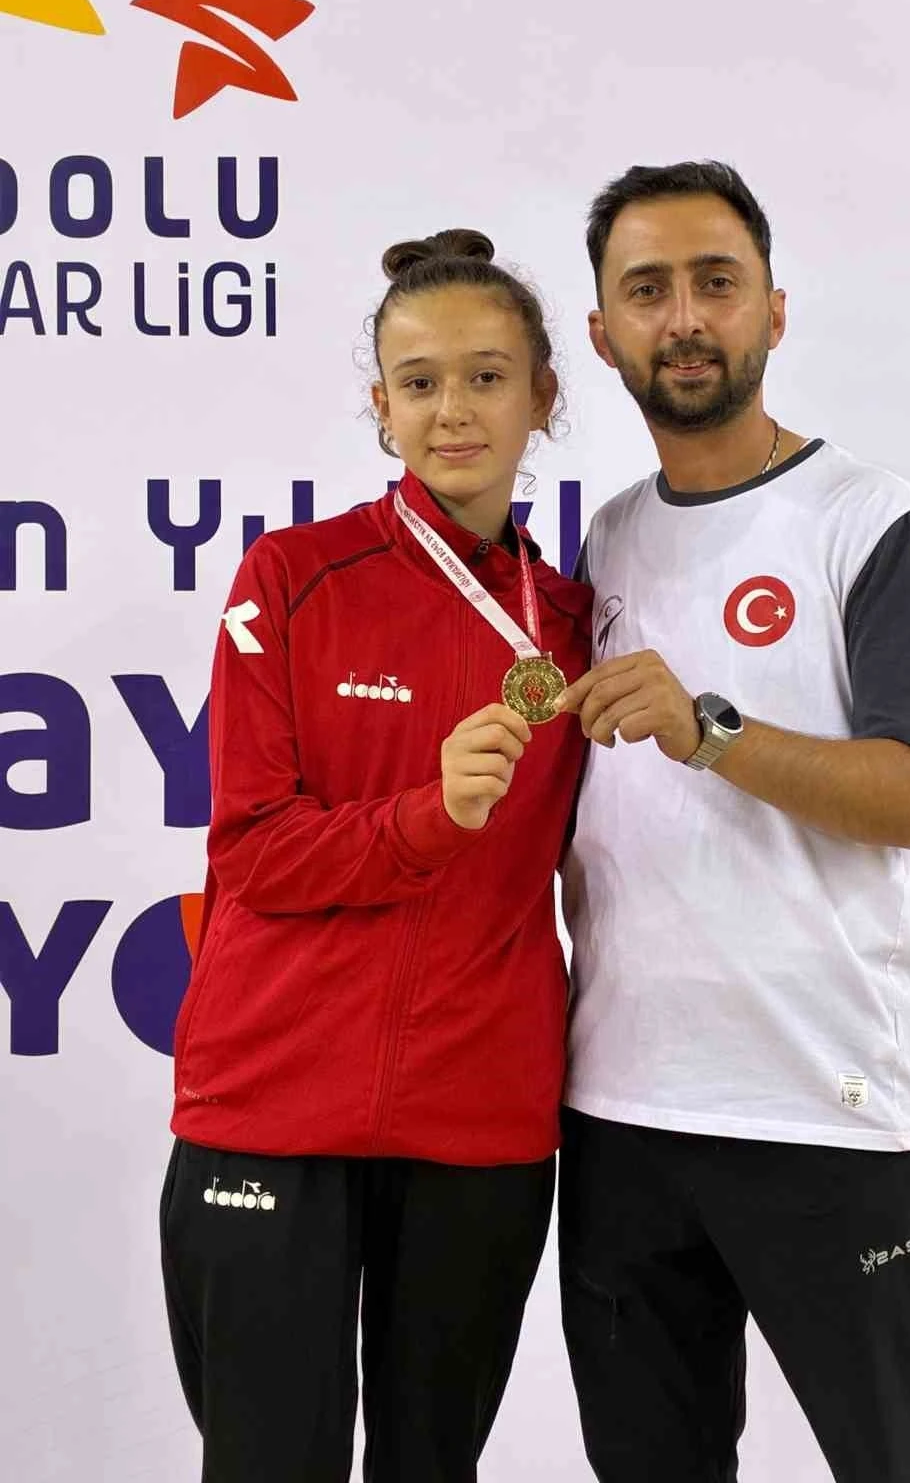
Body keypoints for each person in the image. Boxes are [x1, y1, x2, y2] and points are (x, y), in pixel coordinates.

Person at [553, 161, 910, 1483]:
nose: (685, 318)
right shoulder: (605, 543)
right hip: (621, 1114)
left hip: (828, 1111)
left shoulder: (872, 521)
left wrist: (712, 731)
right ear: (602, 335)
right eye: (648, 291)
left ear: (776, 311)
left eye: (716, 283)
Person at [159, 229, 592, 1483]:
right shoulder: (293, 577)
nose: (453, 410)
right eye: (419, 381)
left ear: (542, 396)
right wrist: (423, 816)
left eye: (487, 376)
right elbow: (253, 851)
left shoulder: (575, 625)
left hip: (478, 1120)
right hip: (274, 1102)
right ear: (381, 405)